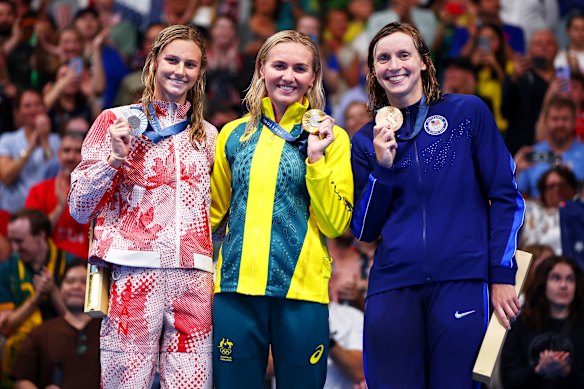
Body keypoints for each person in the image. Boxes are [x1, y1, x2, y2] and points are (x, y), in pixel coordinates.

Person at [350, 22, 525, 388]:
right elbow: (364, 230)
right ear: (373, 72)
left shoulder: (467, 113)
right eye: (383, 58)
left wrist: (501, 274)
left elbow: (506, 196)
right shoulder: (366, 140)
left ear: (424, 63)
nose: (394, 65)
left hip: (460, 280)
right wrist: (382, 169)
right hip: (392, 286)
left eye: (403, 55)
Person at [67, 24, 217, 388]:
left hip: (193, 279)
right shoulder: (113, 121)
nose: (180, 71)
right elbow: (78, 207)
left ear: (200, 74)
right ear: (153, 62)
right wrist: (113, 160)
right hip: (134, 274)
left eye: (190, 64)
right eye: (172, 60)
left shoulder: (208, 135)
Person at [210, 30, 354, 389]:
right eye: (279, 65)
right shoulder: (232, 134)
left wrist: (316, 161)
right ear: (261, 69)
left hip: (300, 293)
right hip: (234, 290)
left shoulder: (330, 138)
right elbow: (210, 214)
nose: (288, 76)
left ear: (313, 77)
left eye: (299, 68)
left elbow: (335, 224)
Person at [0, 209, 68, 388]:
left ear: (40, 235)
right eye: (11, 240)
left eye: (20, 241)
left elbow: (82, 323)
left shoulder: (71, 264)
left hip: (64, 345)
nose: (14, 248)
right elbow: (5, 328)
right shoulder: (6, 270)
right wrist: (36, 299)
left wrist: (53, 291)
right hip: (25, 348)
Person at [11, 260, 101, 389]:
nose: (76, 286)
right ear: (59, 288)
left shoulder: (109, 331)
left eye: (84, 282)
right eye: (70, 281)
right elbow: (21, 380)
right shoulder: (41, 332)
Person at [500, 256, 584, 389]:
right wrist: (539, 369)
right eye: (556, 278)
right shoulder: (521, 324)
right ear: (543, 283)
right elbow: (509, 380)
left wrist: (566, 371)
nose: (563, 285)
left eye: (570, 279)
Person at [25, 130, 89, 259]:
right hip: (50, 262)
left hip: (86, 264)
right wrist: (60, 208)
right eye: (66, 150)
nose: (71, 156)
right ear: (59, 155)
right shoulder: (38, 191)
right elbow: (32, 235)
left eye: (77, 151)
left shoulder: (98, 192)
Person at [0, 89, 60, 212]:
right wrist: (30, 147)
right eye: (27, 106)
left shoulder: (56, 140)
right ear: (18, 111)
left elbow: (56, 174)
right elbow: (6, 176)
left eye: (37, 105)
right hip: (14, 211)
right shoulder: (7, 140)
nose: (33, 110)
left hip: (46, 212)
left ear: (44, 108)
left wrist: (45, 142)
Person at [515, 95, 584, 199]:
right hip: (536, 212)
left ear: (574, 121)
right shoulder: (531, 154)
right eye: (555, 119)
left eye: (565, 119)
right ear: (546, 122)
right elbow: (517, 196)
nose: (560, 124)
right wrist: (516, 170)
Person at [520, 165, 578, 255]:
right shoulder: (527, 212)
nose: (557, 189)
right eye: (551, 186)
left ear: (572, 189)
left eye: (561, 185)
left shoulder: (580, 212)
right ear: (543, 192)